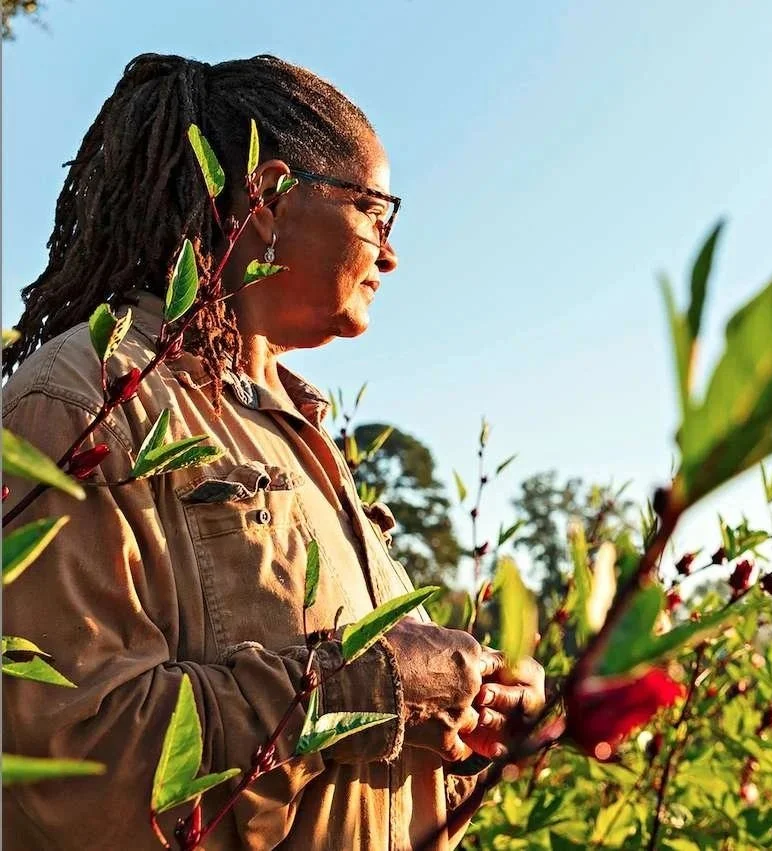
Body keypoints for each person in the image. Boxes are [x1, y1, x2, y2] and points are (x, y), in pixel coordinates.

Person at [2, 54, 544, 851]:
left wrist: (465, 729)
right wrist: (380, 683)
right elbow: (82, 772)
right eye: (375, 212)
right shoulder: (78, 404)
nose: (390, 255)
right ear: (266, 195)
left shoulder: (300, 432)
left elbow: (343, 779)